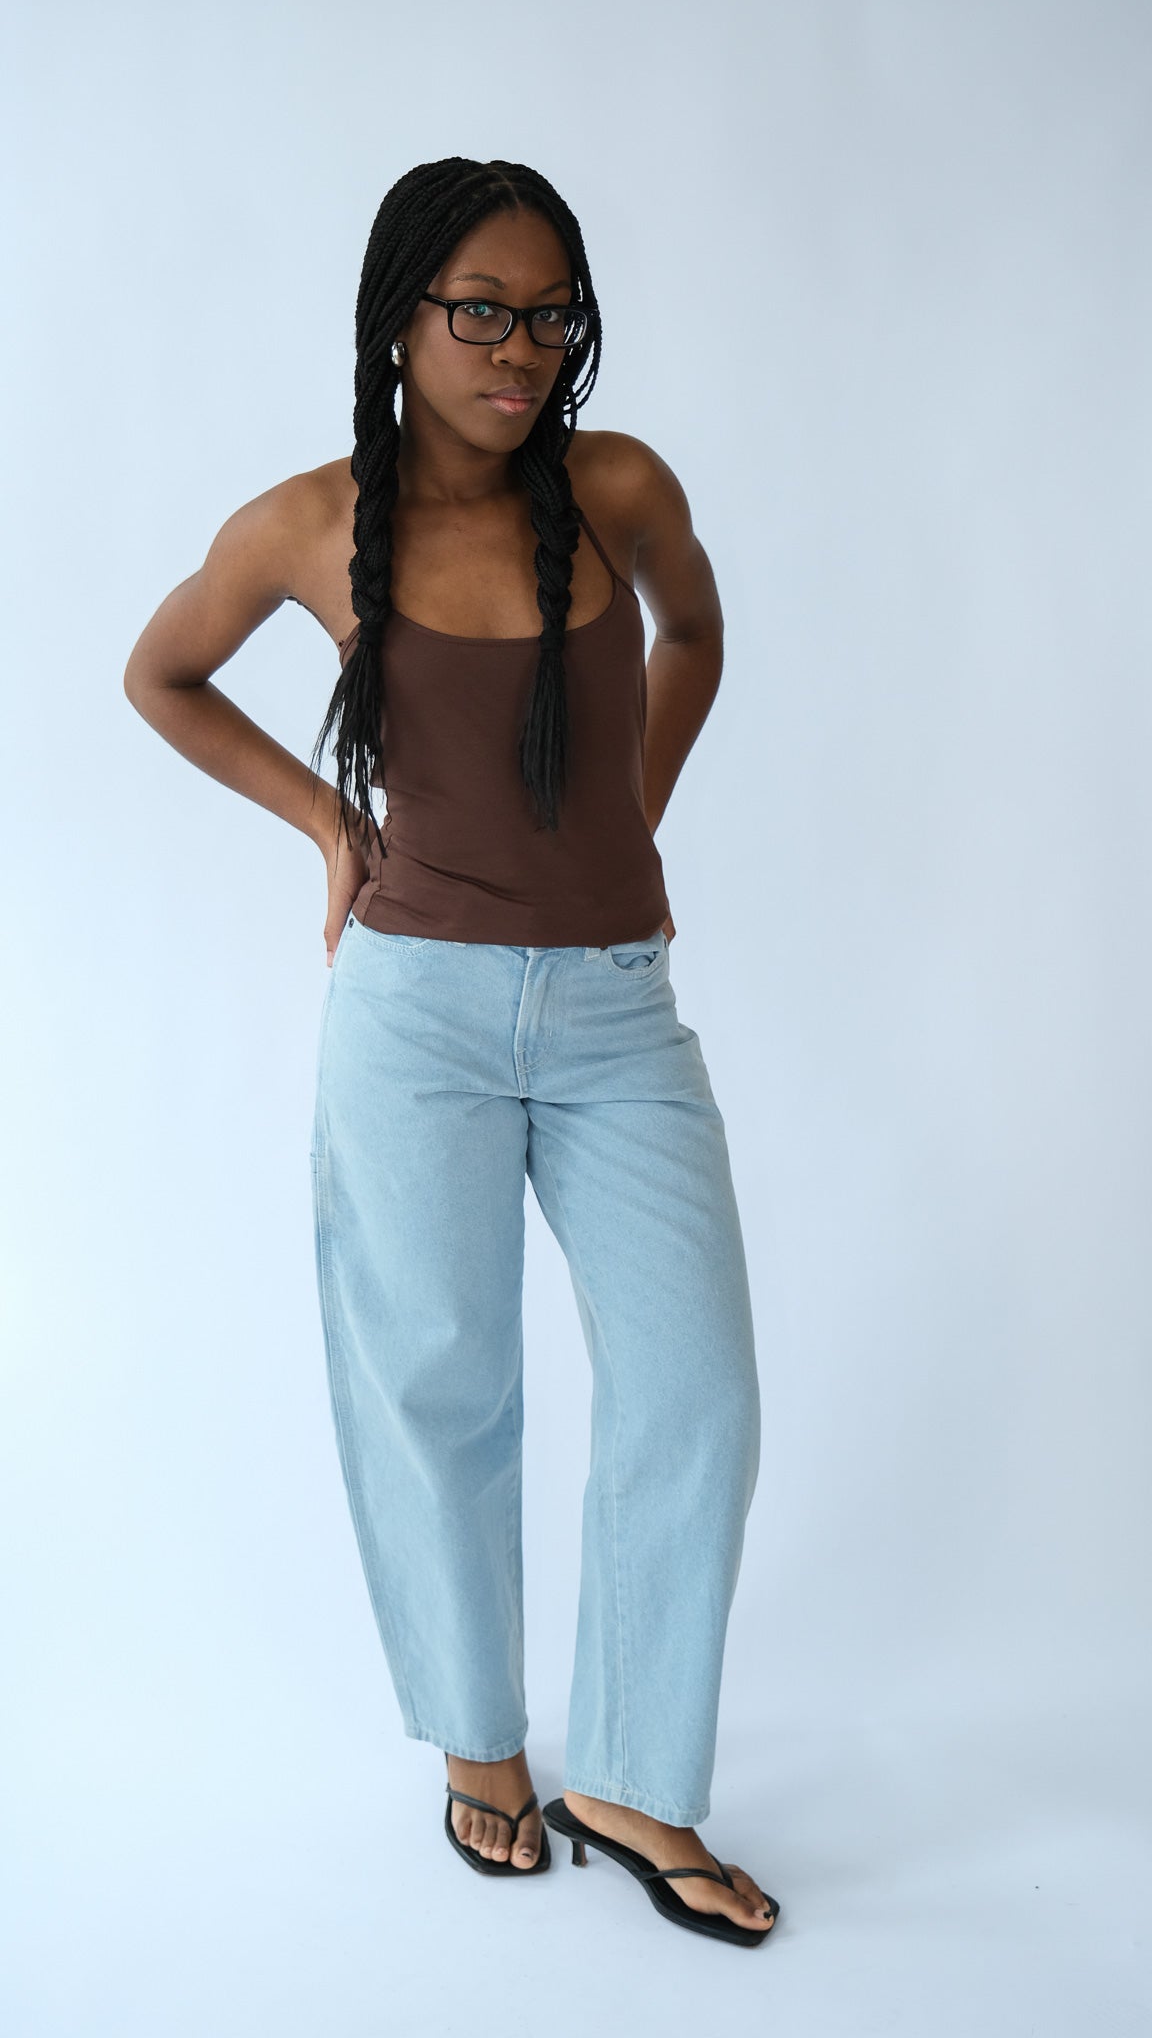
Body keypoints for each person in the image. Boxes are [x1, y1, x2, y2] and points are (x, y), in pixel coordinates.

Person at [123, 156, 779, 1949]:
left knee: (696, 1387)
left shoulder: (622, 488)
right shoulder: (305, 524)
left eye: (550, 315)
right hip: (413, 1013)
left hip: (618, 1011)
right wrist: (328, 831)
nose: (518, 349)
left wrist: (628, 810)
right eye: (479, 310)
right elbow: (161, 676)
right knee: (439, 1383)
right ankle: (478, 1742)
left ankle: (631, 1778)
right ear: (401, 319)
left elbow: (700, 631)